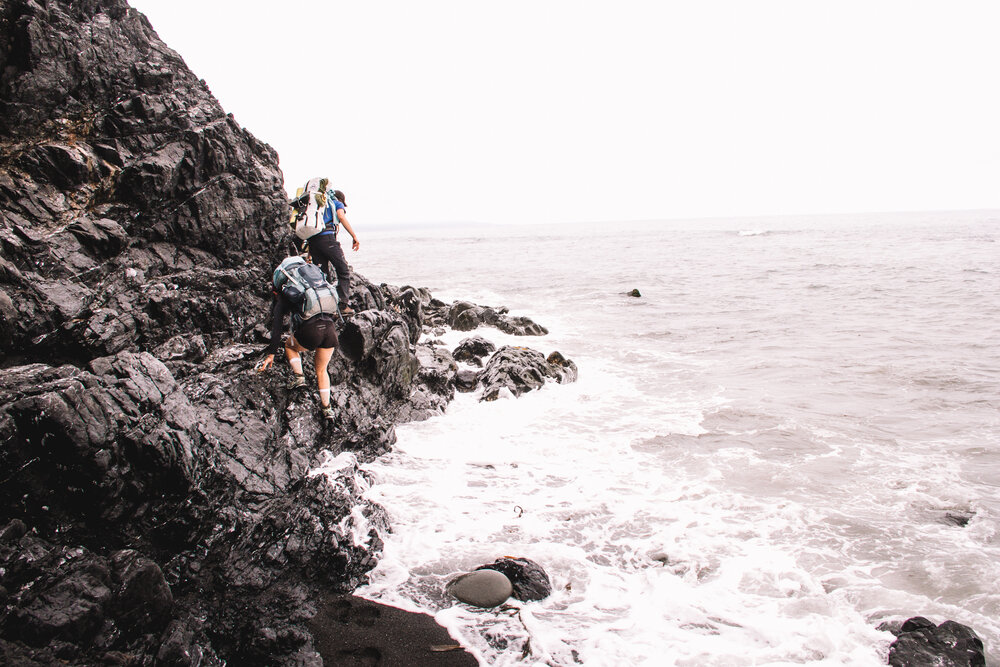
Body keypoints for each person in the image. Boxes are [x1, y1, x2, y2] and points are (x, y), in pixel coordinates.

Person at [257, 257, 340, 421]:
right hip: (330, 332)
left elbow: (277, 328)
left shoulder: (286, 296)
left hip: (310, 333)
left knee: (290, 346)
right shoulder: (317, 289)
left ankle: (299, 377)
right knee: (322, 370)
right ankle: (327, 409)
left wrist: (271, 354)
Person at [307, 188, 360, 315]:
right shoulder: (337, 203)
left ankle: (324, 306)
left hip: (314, 242)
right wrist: (354, 236)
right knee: (343, 271)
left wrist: (309, 253)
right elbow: (341, 216)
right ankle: (343, 306)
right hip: (328, 240)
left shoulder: (318, 206)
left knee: (322, 275)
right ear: (341, 200)